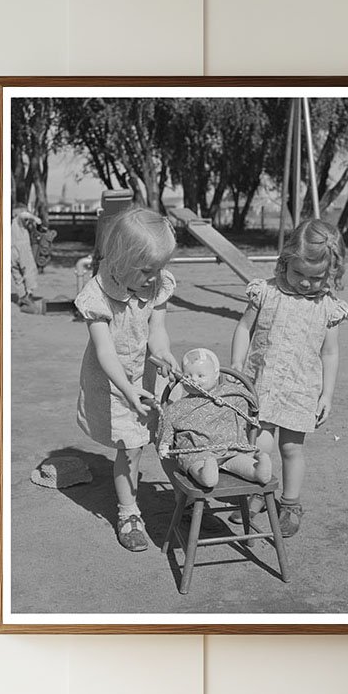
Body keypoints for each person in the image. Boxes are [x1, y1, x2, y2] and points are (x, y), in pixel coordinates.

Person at [230, 218, 348, 538]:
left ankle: (291, 503)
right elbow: (244, 328)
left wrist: (327, 395)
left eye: (317, 278)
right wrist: (237, 365)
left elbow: (330, 353)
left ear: (331, 273)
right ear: (285, 261)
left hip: (301, 389)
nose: (306, 284)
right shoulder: (265, 292)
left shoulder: (328, 308)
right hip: (263, 384)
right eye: (299, 274)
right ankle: (259, 489)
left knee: (292, 448)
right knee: (259, 444)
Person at [75, 207, 179, 552]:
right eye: (147, 269)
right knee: (131, 447)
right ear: (120, 260)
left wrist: (162, 353)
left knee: (161, 435)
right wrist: (128, 389)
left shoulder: (156, 285)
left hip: (145, 372)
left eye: (159, 268)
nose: (155, 277)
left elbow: (158, 330)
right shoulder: (97, 295)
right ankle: (129, 512)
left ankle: (184, 495)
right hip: (114, 381)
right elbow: (105, 352)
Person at [156, 348, 273, 489]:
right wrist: (164, 445)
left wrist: (239, 387)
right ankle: (205, 474)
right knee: (195, 465)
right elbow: (167, 424)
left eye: (201, 375)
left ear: (216, 374)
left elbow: (252, 401)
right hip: (197, 454)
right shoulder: (178, 407)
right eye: (188, 375)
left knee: (242, 461)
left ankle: (257, 471)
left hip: (231, 449)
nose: (194, 379)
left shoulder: (228, 394)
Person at [10, 205, 41, 312]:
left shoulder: (11, 225)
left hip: (11, 250)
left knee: (16, 273)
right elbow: (23, 215)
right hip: (21, 248)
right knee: (29, 270)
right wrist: (36, 219)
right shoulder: (18, 220)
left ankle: (22, 296)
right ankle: (29, 294)